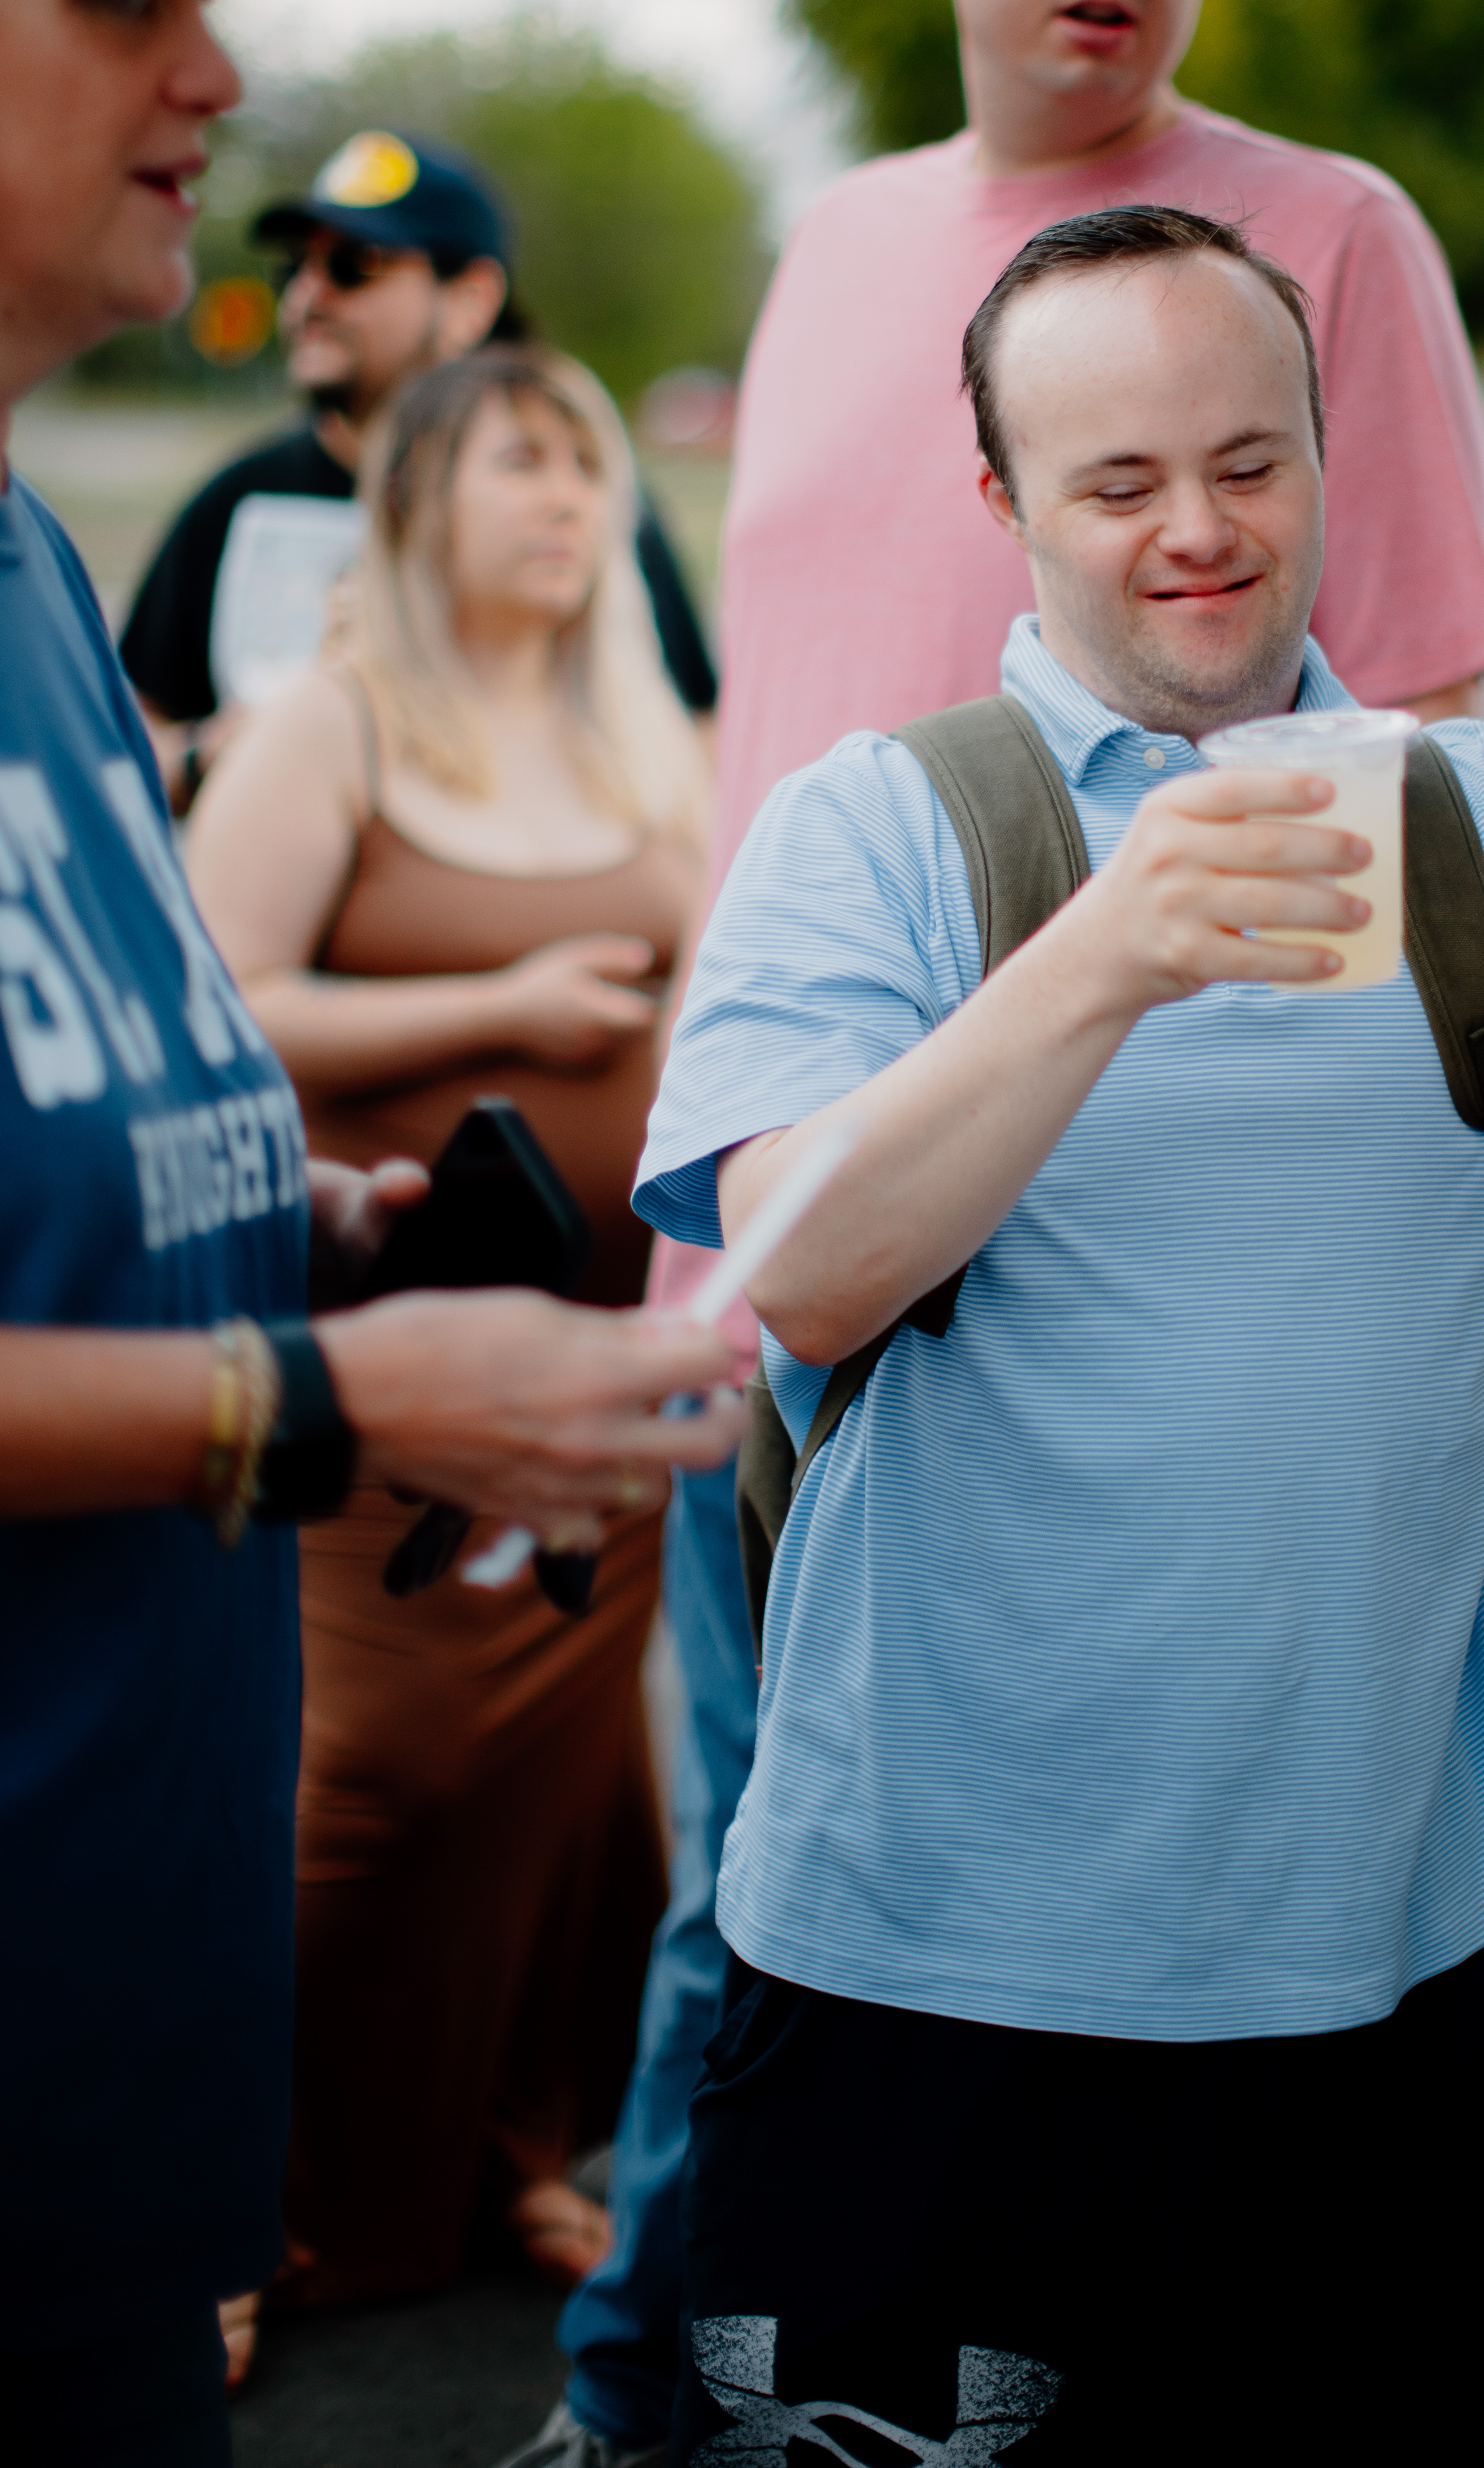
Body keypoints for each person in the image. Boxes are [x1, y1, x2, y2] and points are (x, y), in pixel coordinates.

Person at [523, 0, 1484, 2466]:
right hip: (797, 1210)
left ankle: (743, 2396)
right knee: (759, 1884)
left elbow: (1418, 737)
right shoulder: (837, 243)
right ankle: (649, 2400)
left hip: (1122, 1263)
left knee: (1039, 1957)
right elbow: (777, 744)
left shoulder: (1325, 231)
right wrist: (714, 1205)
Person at [635, 203, 1484, 2460]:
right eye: (1117, 481)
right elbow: (804, 1280)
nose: (1197, 533)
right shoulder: (870, 833)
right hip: (924, 1971)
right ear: (1003, 507)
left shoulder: (1473, 815)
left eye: (1247, 463)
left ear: (1326, 458)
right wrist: (1103, 948)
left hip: (1368, 1962)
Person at [0, 0, 743, 2468]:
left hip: (103, 2099)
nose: (217, 73)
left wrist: (295, 1215)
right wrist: (316, 1393)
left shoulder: (46, 580)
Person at [184, 342, 712, 2329]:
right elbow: (219, 1010)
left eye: (588, 461)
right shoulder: (330, 724)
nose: (570, 498)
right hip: (382, 1379)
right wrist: (497, 1006)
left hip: (606, 1367)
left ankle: (500, 2155)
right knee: (359, 1794)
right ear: (419, 500)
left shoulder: (653, 732)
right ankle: (229, 2211)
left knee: (566, 1803)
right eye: (519, 462)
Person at [119, 128, 716, 807]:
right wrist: (213, 760)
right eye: (295, 270)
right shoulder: (242, 496)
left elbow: (702, 742)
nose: (309, 300)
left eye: (353, 266)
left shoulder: (582, 506)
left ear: (471, 299)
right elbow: (116, 744)